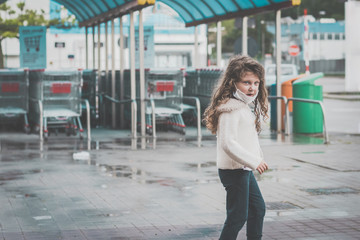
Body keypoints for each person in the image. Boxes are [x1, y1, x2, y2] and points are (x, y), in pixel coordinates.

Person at [203, 55, 269, 240]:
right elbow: (228, 143)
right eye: (246, 82)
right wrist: (255, 161)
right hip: (234, 171)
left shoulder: (241, 106)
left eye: (256, 83)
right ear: (233, 83)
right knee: (237, 216)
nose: (252, 87)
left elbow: (246, 139)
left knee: (257, 209)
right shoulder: (230, 109)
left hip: (243, 169)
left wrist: (255, 160)